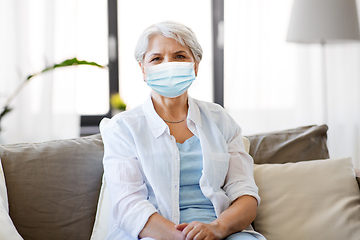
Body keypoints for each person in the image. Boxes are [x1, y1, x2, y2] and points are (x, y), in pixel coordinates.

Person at [100, 21, 266, 240]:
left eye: (179, 56)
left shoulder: (220, 120)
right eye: (156, 58)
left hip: (219, 232)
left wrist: (217, 229)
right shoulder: (123, 128)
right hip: (151, 234)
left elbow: (245, 194)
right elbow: (128, 205)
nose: (168, 65)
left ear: (195, 66)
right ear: (143, 69)